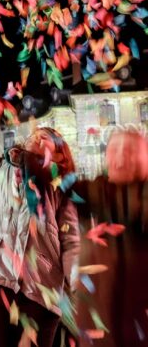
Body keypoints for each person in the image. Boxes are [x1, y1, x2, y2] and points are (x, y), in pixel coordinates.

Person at [0, 108, 80, 347]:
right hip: (0, 278)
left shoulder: (61, 188)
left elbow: (72, 240)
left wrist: (76, 279)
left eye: (48, 139)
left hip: (42, 287)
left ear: (60, 155)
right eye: (36, 137)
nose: (39, 139)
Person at [72, 129, 148, 347]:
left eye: (130, 150)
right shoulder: (93, 193)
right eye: (115, 149)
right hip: (100, 327)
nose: (121, 156)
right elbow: (51, 183)